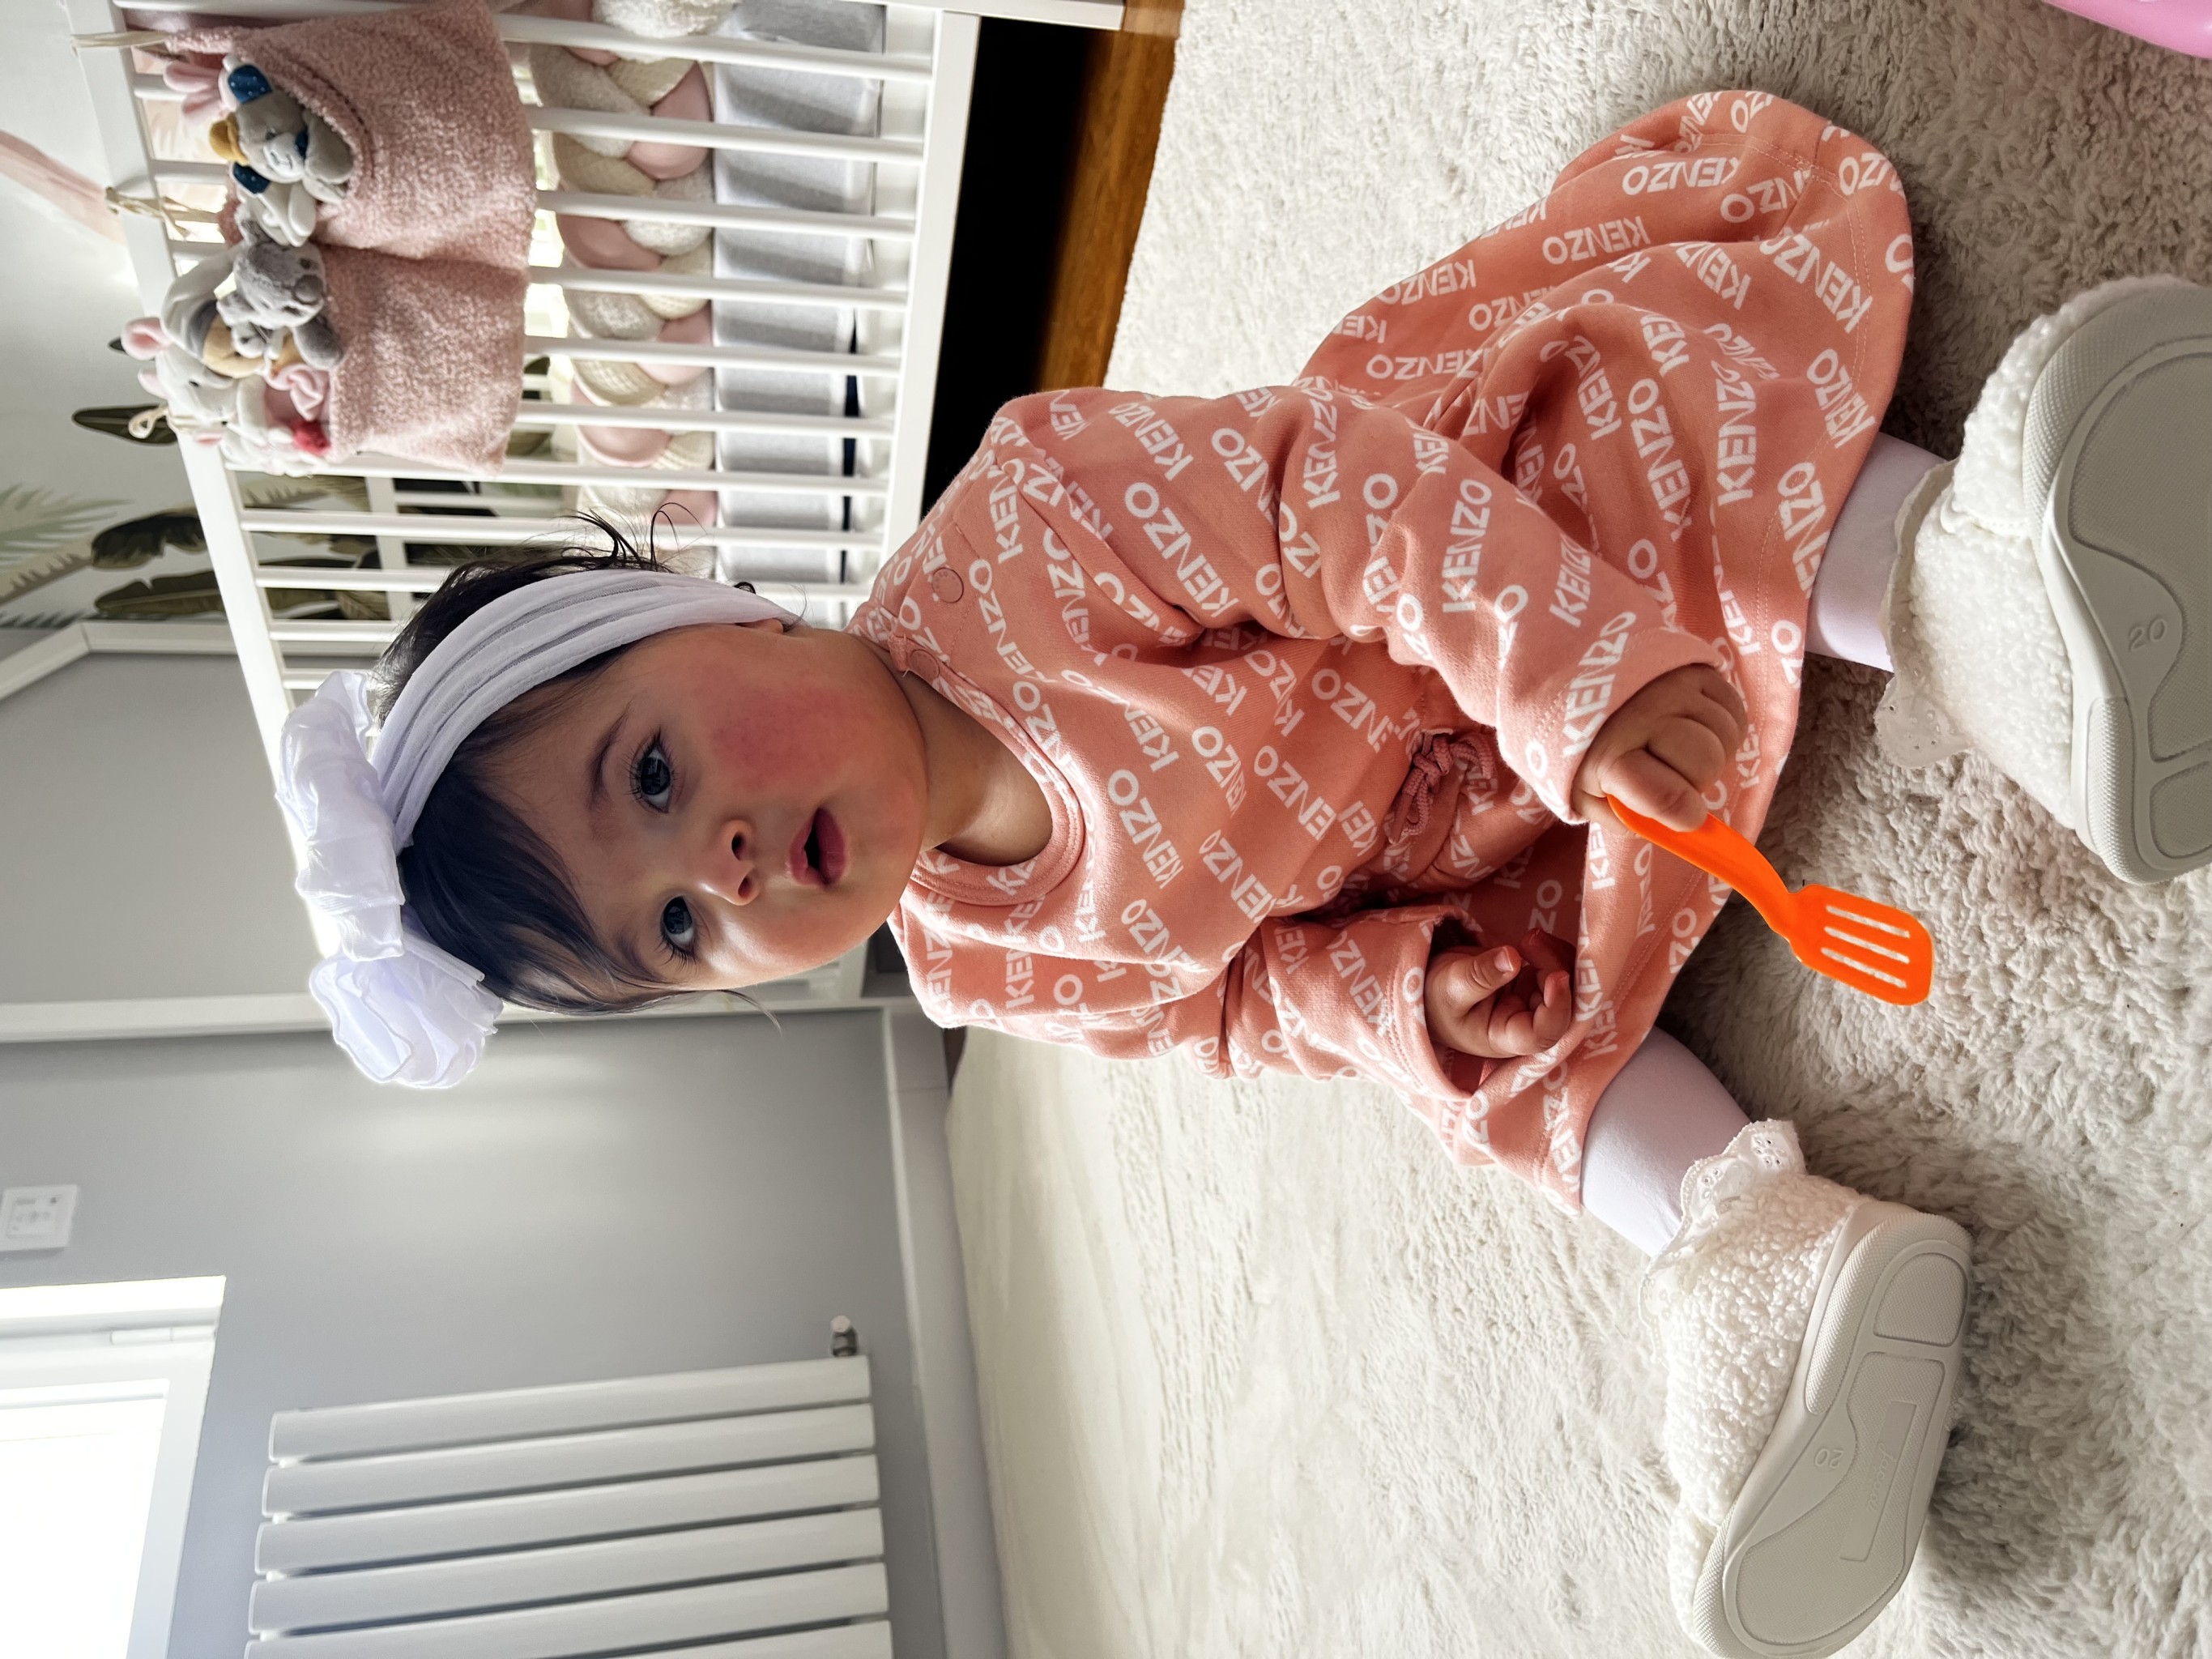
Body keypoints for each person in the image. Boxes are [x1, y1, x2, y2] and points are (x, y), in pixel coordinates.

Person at [274, 92, 2212, 1659]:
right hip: (1451, 845)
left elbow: (1339, 503)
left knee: (1658, 468)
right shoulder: (971, 969)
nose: (718, 864)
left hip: (1473, 556)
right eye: (680, 928)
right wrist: (1399, 995)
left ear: (726, 611)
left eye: (655, 769)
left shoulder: (1026, 529)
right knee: (1509, 1084)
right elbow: (1228, 1006)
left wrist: (1569, 675)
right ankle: (1759, 1245)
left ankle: (1976, 580)